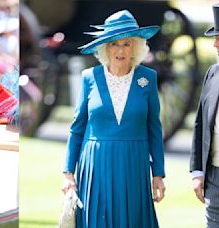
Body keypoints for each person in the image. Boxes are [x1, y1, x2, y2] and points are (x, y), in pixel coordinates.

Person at [61, 10, 166, 227]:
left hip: (133, 164)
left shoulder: (148, 78)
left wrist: (158, 174)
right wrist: (68, 174)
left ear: (135, 47)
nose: (120, 50)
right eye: (114, 44)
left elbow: (154, 128)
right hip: (95, 164)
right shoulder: (89, 77)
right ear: (105, 48)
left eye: (126, 44)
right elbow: (76, 128)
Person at [190, 4, 219, 227]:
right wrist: (197, 171)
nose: (215, 44)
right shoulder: (212, 73)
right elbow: (200, 124)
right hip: (214, 176)